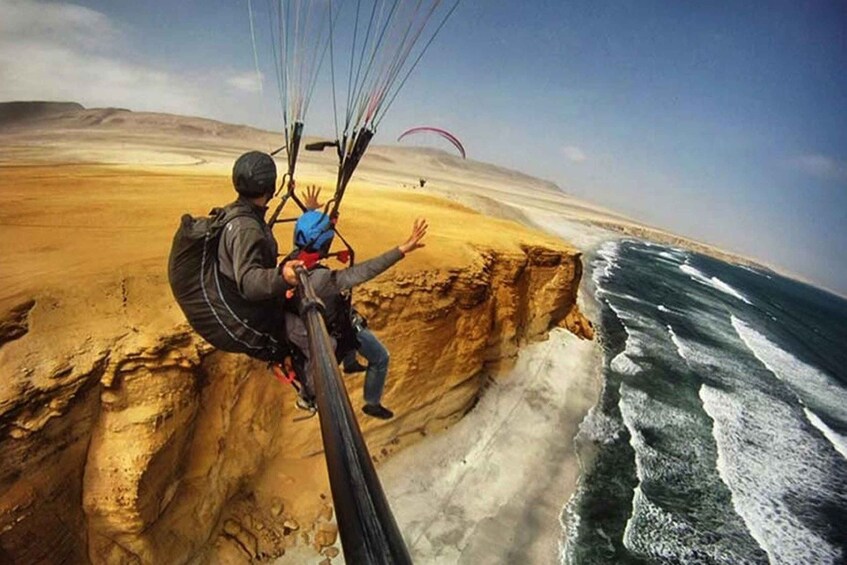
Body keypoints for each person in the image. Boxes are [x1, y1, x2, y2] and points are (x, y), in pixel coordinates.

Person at [285, 187, 427, 419]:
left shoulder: (293, 263)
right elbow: (364, 271)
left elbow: (307, 237)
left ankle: (350, 362)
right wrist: (401, 250)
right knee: (379, 356)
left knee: (351, 318)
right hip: (334, 328)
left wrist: (311, 212)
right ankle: (372, 402)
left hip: (326, 320)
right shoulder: (322, 281)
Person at [215, 150, 302, 361]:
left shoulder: (236, 213)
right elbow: (249, 282)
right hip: (250, 318)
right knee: (317, 340)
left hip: (241, 304)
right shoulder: (247, 228)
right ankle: (310, 391)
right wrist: (282, 277)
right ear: (270, 187)